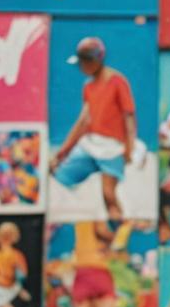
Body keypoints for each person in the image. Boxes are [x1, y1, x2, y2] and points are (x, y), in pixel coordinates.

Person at [50, 37, 137, 221]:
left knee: (108, 194)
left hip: (112, 147)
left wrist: (130, 148)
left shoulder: (117, 82)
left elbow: (129, 116)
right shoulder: (88, 86)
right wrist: (63, 152)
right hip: (90, 145)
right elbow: (83, 121)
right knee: (60, 177)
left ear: (96, 60)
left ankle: (121, 235)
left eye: (85, 61)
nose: (82, 66)